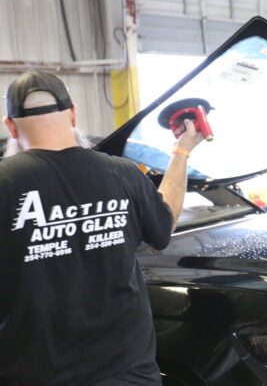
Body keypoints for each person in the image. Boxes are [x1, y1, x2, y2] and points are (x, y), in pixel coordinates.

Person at [0, 70, 204, 386]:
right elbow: (164, 224)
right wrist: (182, 151)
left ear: (10, 126)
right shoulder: (123, 174)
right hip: (130, 377)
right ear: (73, 114)